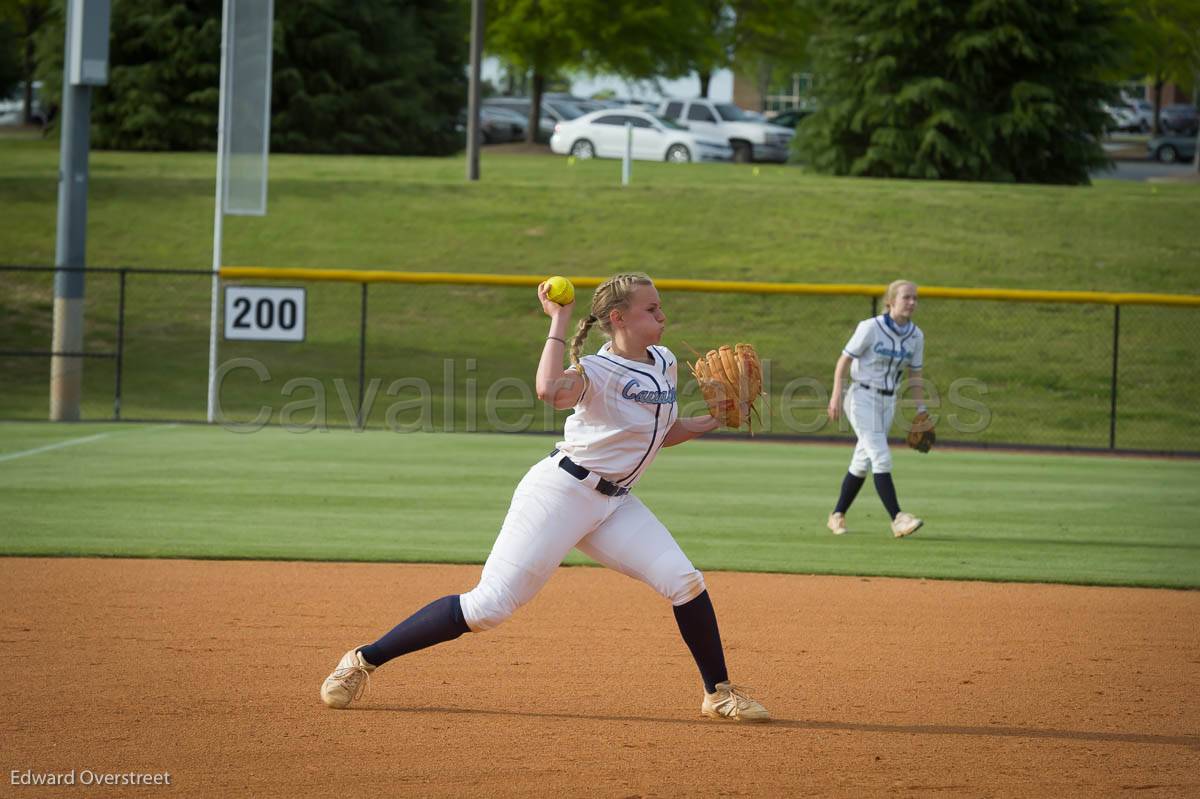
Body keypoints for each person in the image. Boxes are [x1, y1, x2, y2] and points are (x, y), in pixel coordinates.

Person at [320, 273, 769, 722]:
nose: (661, 314)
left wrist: (713, 420)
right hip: (561, 493)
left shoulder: (665, 361)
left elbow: (662, 434)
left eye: (659, 306)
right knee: (488, 607)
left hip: (615, 503)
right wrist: (559, 319)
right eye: (650, 309)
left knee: (684, 581)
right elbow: (548, 391)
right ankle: (360, 661)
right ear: (619, 318)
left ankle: (719, 694)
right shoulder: (595, 370)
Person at [825, 280, 926, 538]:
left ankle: (836, 515)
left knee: (862, 460)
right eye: (906, 297)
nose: (912, 302)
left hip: (888, 401)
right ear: (891, 301)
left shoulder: (916, 336)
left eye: (915, 298)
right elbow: (844, 359)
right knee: (881, 456)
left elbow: (915, 375)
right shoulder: (870, 328)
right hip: (861, 397)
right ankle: (898, 518)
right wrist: (836, 394)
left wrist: (921, 410)